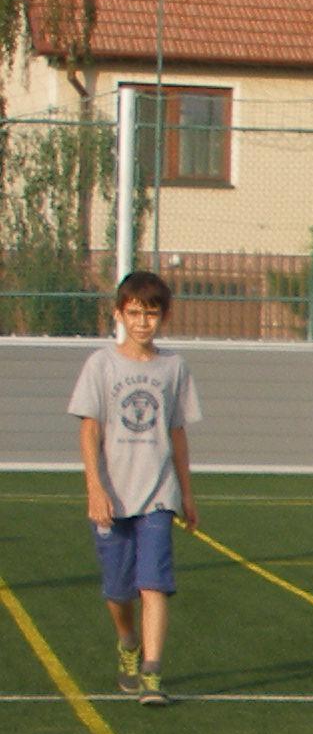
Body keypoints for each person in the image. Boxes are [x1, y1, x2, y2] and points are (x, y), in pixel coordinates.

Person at [71, 268, 200, 706]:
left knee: (154, 585)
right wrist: (95, 487)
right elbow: (89, 429)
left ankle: (152, 672)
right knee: (118, 590)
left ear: (164, 316)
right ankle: (128, 640)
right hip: (113, 494)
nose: (143, 322)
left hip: (157, 495)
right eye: (134, 313)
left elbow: (177, 433)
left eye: (151, 313)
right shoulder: (101, 365)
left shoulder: (174, 367)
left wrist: (186, 493)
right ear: (119, 314)